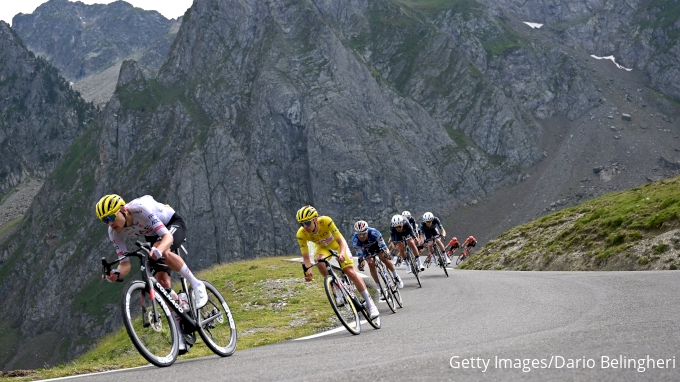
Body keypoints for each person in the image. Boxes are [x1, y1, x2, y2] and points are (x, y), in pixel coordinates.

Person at [96, 194, 208, 353]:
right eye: (105, 220)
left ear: (123, 210)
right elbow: (125, 264)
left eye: (111, 217)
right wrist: (116, 274)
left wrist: (160, 249)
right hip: (152, 234)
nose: (110, 223)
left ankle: (197, 285)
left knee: (164, 252)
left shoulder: (139, 209)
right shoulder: (114, 232)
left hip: (171, 224)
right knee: (161, 283)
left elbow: (167, 237)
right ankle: (180, 328)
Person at [296, 205, 379, 319]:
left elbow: (341, 241)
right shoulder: (301, 234)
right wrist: (308, 271)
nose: (305, 226)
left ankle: (371, 305)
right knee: (319, 262)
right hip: (322, 248)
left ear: (315, 220)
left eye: (307, 223)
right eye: (302, 224)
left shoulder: (326, 221)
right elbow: (305, 257)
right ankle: (336, 289)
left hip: (337, 244)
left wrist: (341, 254)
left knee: (350, 272)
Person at [351, 220, 404, 299]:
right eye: (359, 234)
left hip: (377, 246)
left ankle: (396, 276)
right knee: (370, 262)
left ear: (367, 230)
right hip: (366, 250)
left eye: (363, 233)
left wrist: (387, 254)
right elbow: (361, 257)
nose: (361, 236)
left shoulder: (374, 233)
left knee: (383, 257)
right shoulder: (355, 241)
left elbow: (384, 248)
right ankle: (380, 289)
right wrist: (361, 264)